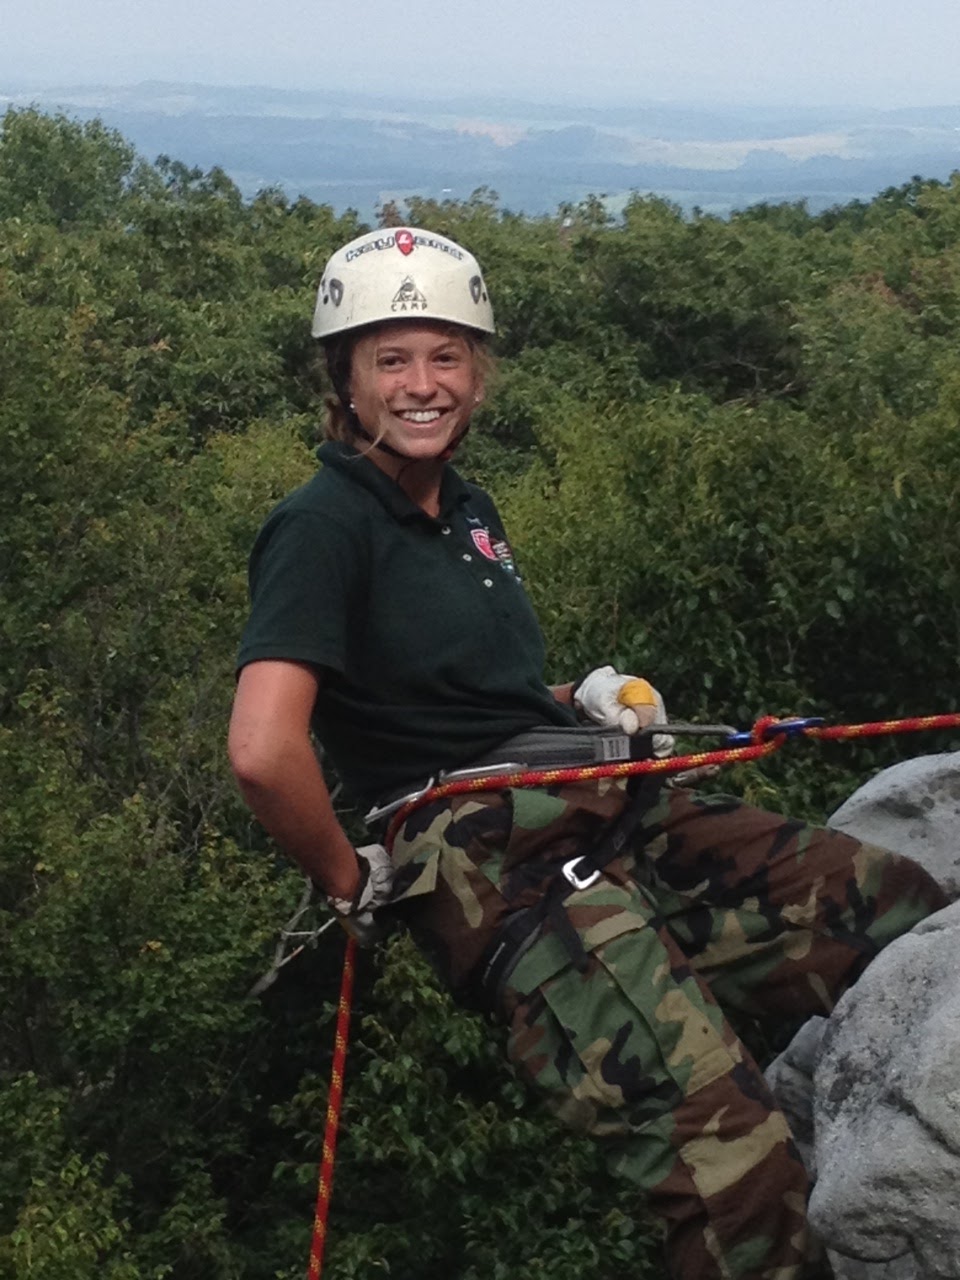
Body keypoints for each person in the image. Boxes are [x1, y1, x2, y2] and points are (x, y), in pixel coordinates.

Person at [228, 226, 948, 1280]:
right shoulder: (322, 525)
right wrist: (349, 878)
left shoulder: (465, 510)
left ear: (479, 371)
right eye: (392, 360)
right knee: (732, 1173)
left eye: (446, 356)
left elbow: (461, 691)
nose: (423, 385)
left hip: (599, 803)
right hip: (499, 865)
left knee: (897, 914)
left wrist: (587, 698)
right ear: (345, 379)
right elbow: (262, 747)